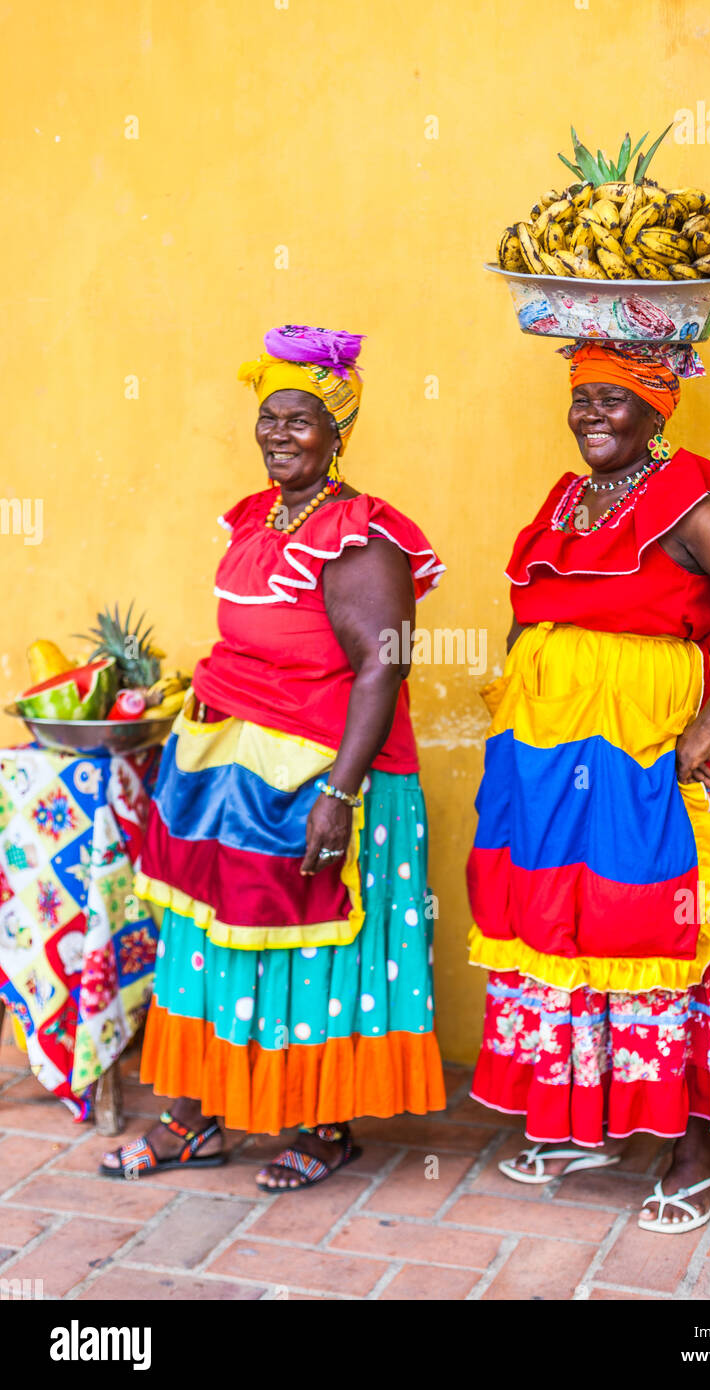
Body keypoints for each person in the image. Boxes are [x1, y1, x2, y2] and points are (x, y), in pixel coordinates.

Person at [466, 340, 710, 1232]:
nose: (592, 415)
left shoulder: (686, 499)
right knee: (567, 929)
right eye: (582, 397)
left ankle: (693, 1149)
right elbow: (533, 612)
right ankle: (590, 1123)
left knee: (657, 934)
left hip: (645, 764)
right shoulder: (568, 498)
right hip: (548, 763)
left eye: (614, 401)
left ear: (659, 410)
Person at [101, 324, 447, 1190]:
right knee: (208, 943)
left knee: (303, 949)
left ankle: (321, 1127)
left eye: (300, 420)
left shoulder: (361, 533)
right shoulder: (256, 518)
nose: (279, 435)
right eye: (269, 419)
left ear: (339, 432)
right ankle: (193, 1120)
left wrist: (338, 793)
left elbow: (385, 661)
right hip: (227, 772)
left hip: (324, 778)